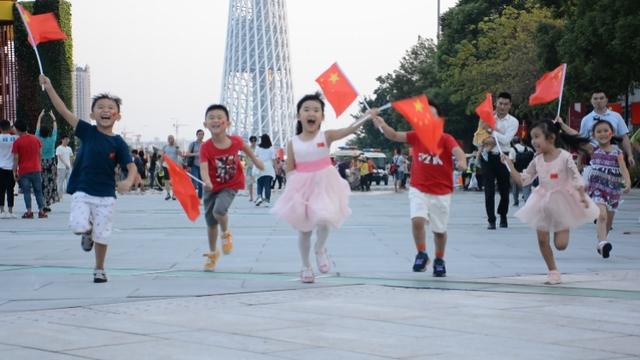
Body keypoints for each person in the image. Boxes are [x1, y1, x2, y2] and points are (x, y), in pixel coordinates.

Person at [40, 74, 137, 283]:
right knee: (77, 225)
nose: (105, 110)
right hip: (83, 191)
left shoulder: (118, 143)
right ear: (92, 114)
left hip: (106, 196)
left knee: (103, 235)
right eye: (100, 107)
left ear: (118, 116)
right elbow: (63, 111)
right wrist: (49, 87)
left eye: (110, 107)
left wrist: (128, 182)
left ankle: (99, 269)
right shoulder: (87, 131)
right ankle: (87, 231)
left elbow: (131, 166)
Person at [271, 93, 368, 283]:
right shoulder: (293, 142)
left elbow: (349, 130)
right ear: (299, 116)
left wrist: (367, 116)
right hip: (301, 188)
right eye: (306, 109)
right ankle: (306, 266)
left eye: (316, 110)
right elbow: (290, 168)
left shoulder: (327, 136)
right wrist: (293, 193)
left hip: (325, 183)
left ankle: (320, 248)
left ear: (322, 116)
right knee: (304, 230)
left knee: (324, 218)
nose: (311, 113)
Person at [372, 102, 467, 277]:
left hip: (441, 191)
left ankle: (439, 259)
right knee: (417, 220)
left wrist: (462, 162)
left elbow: (458, 152)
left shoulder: (446, 138)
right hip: (419, 188)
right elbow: (393, 135)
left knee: (439, 231)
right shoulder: (416, 136)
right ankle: (422, 253)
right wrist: (380, 123)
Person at [501, 119, 598, 285]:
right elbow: (524, 180)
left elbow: (576, 177)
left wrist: (582, 195)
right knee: (542, 240)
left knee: (560, 245)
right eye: (532, 137)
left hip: (563, 202)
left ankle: (564, 226)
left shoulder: (565, 157)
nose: (533, 141)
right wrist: (509, 165)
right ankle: (553, 271)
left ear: (551, 138)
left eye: (537, 136)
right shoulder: (537, 160)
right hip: (541, 202)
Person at [199, 104, 264, 271]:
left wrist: (256, 161)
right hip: (211, 187)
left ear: (227, 122)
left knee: (219, 211)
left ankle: (226, 233)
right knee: (211, 223)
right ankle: (213, 253)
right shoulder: (205, 147)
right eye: (211, 117)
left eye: (218, 117)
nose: (215, 120)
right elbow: (204, 168)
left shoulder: (235, 141)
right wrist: (207, 181)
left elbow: (246, 149)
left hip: (231, 184)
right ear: (205, 124)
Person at [585, 119, 631, 259]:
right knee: (601, 215)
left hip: (613, 191)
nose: (603, 134)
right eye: (599, 131)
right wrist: (561, 125)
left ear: (612, 133)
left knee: (608, 221)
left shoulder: (618, 153)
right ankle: (603, 242)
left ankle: (601, 243)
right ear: (593, 135)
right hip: (597, 188)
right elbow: (576, 137)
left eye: (606, 131)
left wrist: (628, 182)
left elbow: (623, 169)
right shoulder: (593, 150)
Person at [557, 91, 635, 168]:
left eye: (601, 98)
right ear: (591, 101)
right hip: (594, 158)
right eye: (595, 98)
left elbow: (624, 137)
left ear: (606, 100)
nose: (598, 101)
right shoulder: (586, 119)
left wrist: (630, 155)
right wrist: (562, 125)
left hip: (614, 158)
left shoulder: (616, 116)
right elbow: (581, 139)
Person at [479, 92, 519, 229]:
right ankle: (491, 220)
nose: (502, 106)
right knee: (488, 190)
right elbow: (479, 138)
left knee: (504, 190)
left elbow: (507, 140)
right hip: (487, 157)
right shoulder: (488, 118)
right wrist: (492, 134)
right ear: (496, 103)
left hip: (504, 157)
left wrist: (491, 131)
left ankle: (503, 215)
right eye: (500, 103)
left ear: (510, 105)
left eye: (506, 104)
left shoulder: (513, 121)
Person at [12, 120, 47, 219]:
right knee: (38, 191)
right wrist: (38, 164)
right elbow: (40, 153)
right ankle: (41, 211)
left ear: (18, 129)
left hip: (24, 170)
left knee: (26, 192)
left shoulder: (17, 142)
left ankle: (29, 212)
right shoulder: (36, 139)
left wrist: (14, 171)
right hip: (36, 169)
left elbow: (16, 158)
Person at [36, 110, 59, 212]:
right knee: (50, 183)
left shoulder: (38, 139)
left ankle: (42, 203)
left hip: (40, 162)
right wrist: (53, 118)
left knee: (41, 183)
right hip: (51, 162)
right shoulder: (52, 139)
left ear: (40, 132)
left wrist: (40, 117)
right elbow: (55, 129)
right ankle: (47, 203)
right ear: (49, 132)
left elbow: (37, 128)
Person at [509, 137, 534, 205]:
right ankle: (526, 200)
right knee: (526, 186)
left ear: (513, 142)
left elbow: (511, 161)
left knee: (515, 186)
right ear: (520, 141)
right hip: (526, 171)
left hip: (516, 170)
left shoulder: (512, 149)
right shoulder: (528, 149)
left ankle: (516, 201)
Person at [0, 120, 17, 218]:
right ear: (9, 128)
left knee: (1, 189)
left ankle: (2, 210)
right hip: (11, 167)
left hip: (1, 167)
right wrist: (12, 129)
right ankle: (10, 211)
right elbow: (17, 132)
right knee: (10, 189)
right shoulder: (15, 138)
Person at [254, 133, 276, 207]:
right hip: (269, 167)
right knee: (267, 185)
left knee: (259, 183)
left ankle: (259, 196)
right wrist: (275, 168)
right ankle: (267, 200)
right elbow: (273, 159)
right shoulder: (271, 148)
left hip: (260, 166)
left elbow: (255, 156)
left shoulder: (258, 148)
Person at [185, 129, 205, 199]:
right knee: (195, 181)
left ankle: (200, 197)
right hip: (194, 165)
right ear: (197, 135)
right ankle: (193, 197)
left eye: (202, 134)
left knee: (201, 183)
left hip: (203, 166)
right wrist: (197, 154)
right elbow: (187, 154)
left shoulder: (205, 144)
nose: (201, 136)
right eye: (200, 134)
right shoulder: (193, 144)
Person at [55, 135, 73, 199]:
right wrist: (66, 164)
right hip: (61, 167)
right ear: (62, 140)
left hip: (68, 167)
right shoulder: (59, 148)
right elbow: (59, 157)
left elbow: (71, 157)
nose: (67, 141)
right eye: (65, 139)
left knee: (69, 180)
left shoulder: (69, 148)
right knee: (60, 181)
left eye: (67, 139)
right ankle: (59, 195)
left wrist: (70, 165)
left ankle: (68, 193)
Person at [162, 135, 180, 200]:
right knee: (166, 180)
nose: (171, 140)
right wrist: (161, 164)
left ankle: (174, 194)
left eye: (172, 139)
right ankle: (168, 193)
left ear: (174, 139)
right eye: (169, 139)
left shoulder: (176, 147)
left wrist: (177, 148)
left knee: (174, 180)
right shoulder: (165, 147)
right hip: (165, 165)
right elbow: (162, 156)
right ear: (168, 140)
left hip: (174, 166)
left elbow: (180, 154)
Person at [244, 135, 258, 201]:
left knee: (258, 182)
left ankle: (258, 195)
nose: (253, 142)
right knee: (250, 182)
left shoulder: (258, 149)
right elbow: (246, 158)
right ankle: (251, 196)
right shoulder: (248, 149)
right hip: (250, 167)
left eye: (254, 141)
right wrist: (249, 164)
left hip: (257, 167)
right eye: (252, 141)